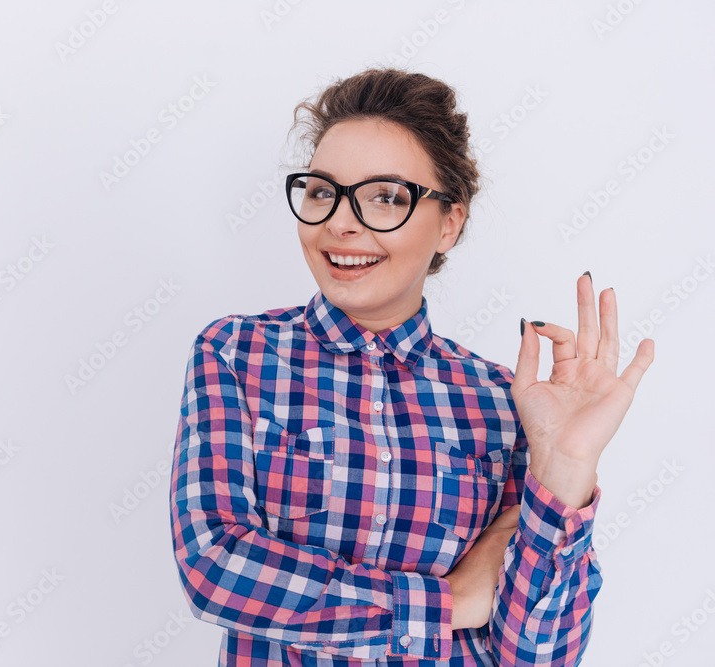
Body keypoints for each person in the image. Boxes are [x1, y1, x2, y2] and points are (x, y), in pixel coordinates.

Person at [168, 67, 654, 666]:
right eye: (322, 191)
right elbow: (216, 568)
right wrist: (445, 604)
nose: (340, 223)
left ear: (449, 223)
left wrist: (565, 470)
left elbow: (538, 656)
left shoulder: (504, 401)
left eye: (385, 197)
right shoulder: (237, 355)